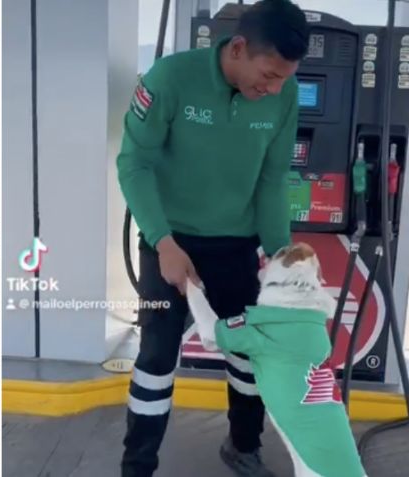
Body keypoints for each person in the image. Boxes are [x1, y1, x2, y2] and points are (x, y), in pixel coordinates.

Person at [116, 1, 309, 476]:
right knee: (156, 358)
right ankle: (136, 466)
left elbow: (271, 179)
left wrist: (284, 258)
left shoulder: (284, 96)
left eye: (285, 78)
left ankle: (243, 447)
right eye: (268, 75)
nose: (275, 89)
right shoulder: (170, 79)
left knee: (248, 355)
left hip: (235, 249)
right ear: (238, 49)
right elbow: (133, 163)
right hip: (169, 246)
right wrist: (163, 242)